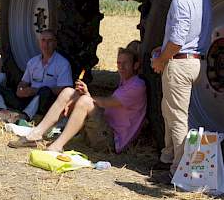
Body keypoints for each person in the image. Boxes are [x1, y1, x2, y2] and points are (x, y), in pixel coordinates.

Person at [8, 47, 147, 152]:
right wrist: (80, 96)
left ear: (135, 65)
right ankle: (36, 134)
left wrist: (85, 96)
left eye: (125, 63)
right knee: (69, 91)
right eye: (118, 63)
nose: (121, 67)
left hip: (110, 141)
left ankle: (57, 146)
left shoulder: (137, 86)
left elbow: (106, 102)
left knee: (85, 101)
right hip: (100, 130)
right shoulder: (126, 82)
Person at [151, 0, 212, 178]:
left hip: (179, 63)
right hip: (193, 61)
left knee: (176, 117)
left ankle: (178, 169)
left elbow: (177, 41)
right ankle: (168, 157)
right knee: (170, 111)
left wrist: (160, 60)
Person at [0, 29, 73, 123]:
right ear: (39, 43)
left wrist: (35, 91)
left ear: (55, 43)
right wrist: (21, 89)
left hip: (47, 101)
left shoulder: (62, 63)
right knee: (0, 89)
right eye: (43, 40)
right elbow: (24, 82)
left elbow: (65, 90)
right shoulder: (33, 62)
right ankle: (3, 110)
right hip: (30, 98)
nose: (46, 44)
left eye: (50, 41)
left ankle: (25, 115)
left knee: (44, 90)